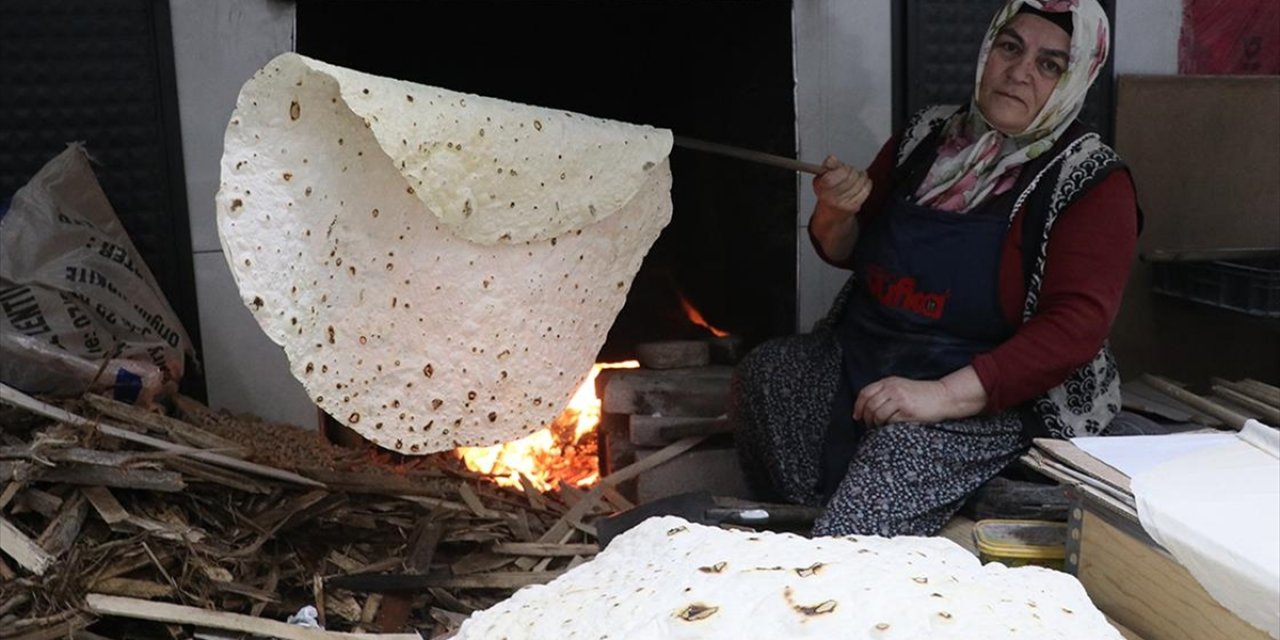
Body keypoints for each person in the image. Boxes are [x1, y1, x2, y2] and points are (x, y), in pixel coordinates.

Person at [732, 0, 1139, 537]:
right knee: (768, 375)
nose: (1018, 71)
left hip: (993, 390)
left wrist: (941, 396)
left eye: (1049, 64)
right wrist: (835, 210)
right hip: (874, 352)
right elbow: (850, 249)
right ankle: (807, 523)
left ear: (1077, 76)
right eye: (1010, 47)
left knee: (893, 464)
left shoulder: (1091, 182)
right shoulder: (928, 135)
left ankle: (841, 557)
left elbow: (1074, 331)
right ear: (987, 49)